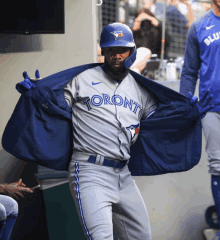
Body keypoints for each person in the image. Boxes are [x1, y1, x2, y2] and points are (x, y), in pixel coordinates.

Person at [2, 22, 215, 240]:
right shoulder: (81, 79)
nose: (116, 55)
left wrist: (189, 114)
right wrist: (36, 95)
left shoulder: (140, 89)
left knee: (141, 237)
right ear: (103, 51)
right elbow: (55, 108)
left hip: (123, 174)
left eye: (122, 50)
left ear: (131, 51)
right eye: (111, 50)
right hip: (89, 171)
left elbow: (159, 123)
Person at [180, 1, 220, 239]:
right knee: (218, 166)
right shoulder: (199, 26)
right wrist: (184, 103)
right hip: (211, 108)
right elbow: (189, 71)